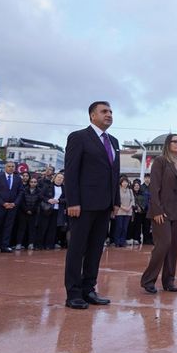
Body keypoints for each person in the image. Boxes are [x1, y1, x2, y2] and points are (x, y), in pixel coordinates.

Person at [63, 101, 120, 310]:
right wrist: (73, 201)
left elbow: (115, 173)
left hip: (104, 206)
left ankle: (89, 289)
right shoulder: (79, 137)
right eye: (104, 111)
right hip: (83, 204)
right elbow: (71, 172)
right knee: (77, 249)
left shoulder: (113, 141)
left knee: (96, 249)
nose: (109, 115)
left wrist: (116, 201)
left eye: (111, 112)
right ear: (92, 115)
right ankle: (73, 293)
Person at [140, 134, 177, 293]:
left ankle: (169, 281)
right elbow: (154, 188)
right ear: (168, 144)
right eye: (175, 141)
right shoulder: (160, 161)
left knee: (173, 247)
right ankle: (148, 280)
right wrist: (157, 209)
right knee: (163, 244)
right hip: (162, 211)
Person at [0, 161, 24, 253]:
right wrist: (3, 203)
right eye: (9, 166)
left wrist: (14, 203)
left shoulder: (18, 178)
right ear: (5, 167)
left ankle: (4, 245)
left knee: (8, 227)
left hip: (12, 207)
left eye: (12, 166)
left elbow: (20, 192)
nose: (11, 168)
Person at [37, 173, 64, 250]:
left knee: (52, 229)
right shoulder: (48, 186)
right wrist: (48, 200)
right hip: (47, 209)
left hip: (57, 210)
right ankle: (39, 245)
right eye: (58, 177)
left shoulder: (64, 188)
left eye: (62, 178)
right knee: (43, 227)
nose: (60, 179)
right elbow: (41, 195)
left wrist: (59, 201)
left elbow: (67, 199)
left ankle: (49, 245)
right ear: (55, 178)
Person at [15, 176, 41, 250]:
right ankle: (19, 243)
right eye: (31, 182)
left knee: (32, 229)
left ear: (37, 183)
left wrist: (32, 210)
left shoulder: (39, 191)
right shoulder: (24, 190)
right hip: (23, 212)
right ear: (29, 183)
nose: (33, 183)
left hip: (34, 213)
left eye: (35, 182)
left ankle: (31, 243)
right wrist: (26, 209)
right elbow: (21, 201)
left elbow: (38, 202)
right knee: (21, 228)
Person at [113, 176, 134, 247]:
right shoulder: (118, 190)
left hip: (128, 212)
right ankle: (117, 241)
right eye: (123, 182)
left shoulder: (130, 191)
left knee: (125, 228)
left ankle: (123, 241)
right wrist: (123, 207)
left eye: (126, 182)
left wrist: (129, 207)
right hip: (119, 211)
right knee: (119, 227)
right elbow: (117, 201)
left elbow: (132, 200)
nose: (125, 183)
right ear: (121, 183)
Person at [129, 179, 146, 245]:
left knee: (138, 226)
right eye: (135, 185)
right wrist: (135, 207)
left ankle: (137, 239)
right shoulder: (131, 193)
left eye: (138, 185)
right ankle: (130, 238)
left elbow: (144, 202)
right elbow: (131, 201)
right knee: (131, 225)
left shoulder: (142, 193)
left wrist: (141, 208)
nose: (136, 187)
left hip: (140, 213)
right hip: (132, 212)